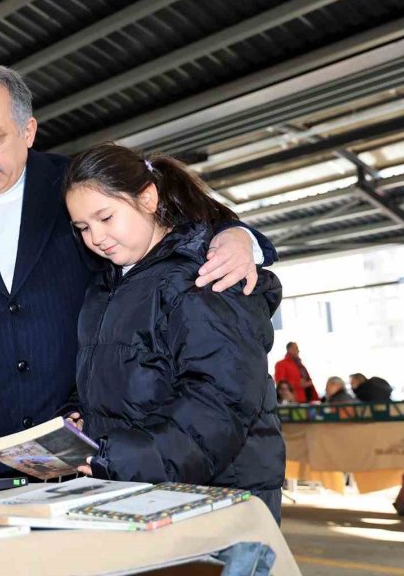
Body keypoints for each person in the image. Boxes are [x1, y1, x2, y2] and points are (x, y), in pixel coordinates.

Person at [0, 61, 277, 477]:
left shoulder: (74, 187)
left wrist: (240, 238)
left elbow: (173, 217)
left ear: (28, 131)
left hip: (77, 447)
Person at [65, 143, 285, 523]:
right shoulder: (107, 287)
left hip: (215, 498)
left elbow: (220, 400)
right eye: (83, 227)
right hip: (145, 491)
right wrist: (79, 419)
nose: (96, 237)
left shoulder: (203, 275)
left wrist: (120, 458)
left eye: (106, 218)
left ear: (147, 198)